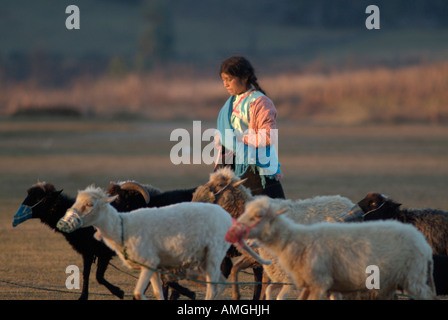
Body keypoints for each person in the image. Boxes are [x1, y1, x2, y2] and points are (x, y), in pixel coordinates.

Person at [214, 56, 285, 199]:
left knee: (269, 212)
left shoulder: (260, 102)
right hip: (228, 164)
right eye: (224, 80)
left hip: (254, 167)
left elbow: (268, 136)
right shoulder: (230, 104)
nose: (226, 84)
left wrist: (241, 139)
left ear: (245, 77)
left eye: (230, 79)